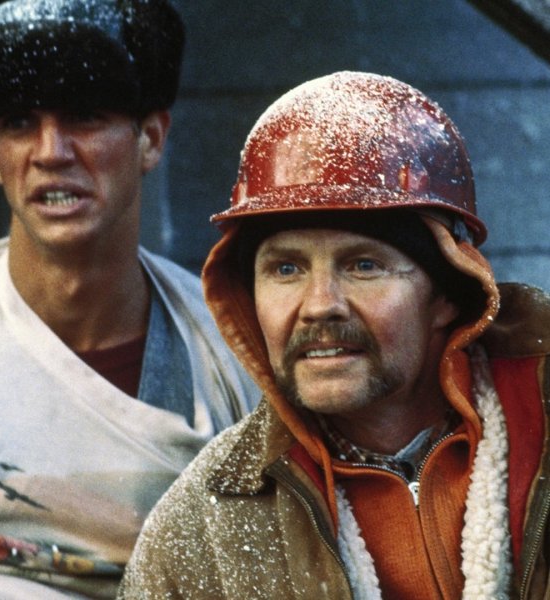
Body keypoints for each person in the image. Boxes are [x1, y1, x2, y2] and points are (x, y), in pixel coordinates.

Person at [118, 71, 550, 600]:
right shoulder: (205, 525)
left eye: (363, 265)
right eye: (285, 269)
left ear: (448, 294)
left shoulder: (543, 432)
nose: (320, 304)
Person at [0, 0, 258, 598]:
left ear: (151, 139)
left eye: (85, 116)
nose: (51, 152)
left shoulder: (232, 355)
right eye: (19, 122)